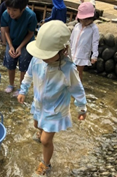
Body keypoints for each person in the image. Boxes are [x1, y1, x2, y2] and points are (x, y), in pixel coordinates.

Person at [17, 20, 87, 176]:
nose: (43, 58)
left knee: (46, 141)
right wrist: (23, 90)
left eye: (47, 55)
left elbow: (77, 90)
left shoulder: (68, 69)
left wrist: (81, 107)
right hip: (39, 104)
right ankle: (40, 132)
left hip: (55, 110)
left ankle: (46, 164)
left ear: (63, 50)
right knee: (37, 125)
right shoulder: (37, 59)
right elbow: (28, 75)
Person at [1, 0, 37, 96]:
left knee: (24, 65)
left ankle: (22, 88)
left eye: (14, 10)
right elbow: (6, 31)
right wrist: (10, 46)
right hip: (12, 41)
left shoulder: (31, 16)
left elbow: (31, 33)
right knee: (10, 62)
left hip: (26, 43)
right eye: (9, 9)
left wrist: (21, 47)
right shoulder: (5, 15)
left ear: (23, 9)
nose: (11, 13)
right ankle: (11, 84)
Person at [70, 2, 99, 81]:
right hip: (72, 52)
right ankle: (69, 86)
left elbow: (95, 42)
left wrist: (94, 55)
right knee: (70, 70)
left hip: (83, 54)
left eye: (88, 20)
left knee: (79, 72)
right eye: (83, 20)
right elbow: (72, 38)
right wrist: (68, 48)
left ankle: (78, 89)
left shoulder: (94, 28)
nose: (85, 22)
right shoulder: (77, 26)